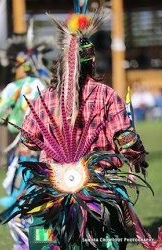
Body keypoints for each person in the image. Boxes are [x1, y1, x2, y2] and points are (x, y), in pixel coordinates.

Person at [14, 8, 155, 249]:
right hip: (99, 190)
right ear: (91, 63)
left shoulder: (44, 98)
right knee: (105, 242)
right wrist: (138, 155)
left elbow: (27, 140)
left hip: (52, 190)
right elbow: (126, 141)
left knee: (46, 240)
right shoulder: (107, 95)